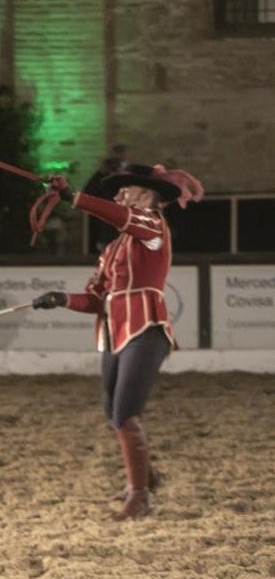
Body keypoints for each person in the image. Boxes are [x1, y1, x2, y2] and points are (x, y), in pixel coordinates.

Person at [33, 163, 203, 520]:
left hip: (145, 329)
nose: (120, 196)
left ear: (147, 197)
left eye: (127, 192)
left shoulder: (153, 227)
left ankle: (140, 496)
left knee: (124, 413)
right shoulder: (112, 249)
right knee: (115, 413)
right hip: (114, 331)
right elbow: (97, 299)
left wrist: (73, 197)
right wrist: (62, 299)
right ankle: (147, 476)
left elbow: (120, 215)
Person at [82, 144, 130, 252]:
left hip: (124, 215)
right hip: (106, 217)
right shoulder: (101, 175)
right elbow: (88, 192)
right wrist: (102, 173)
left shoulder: (130, 174)